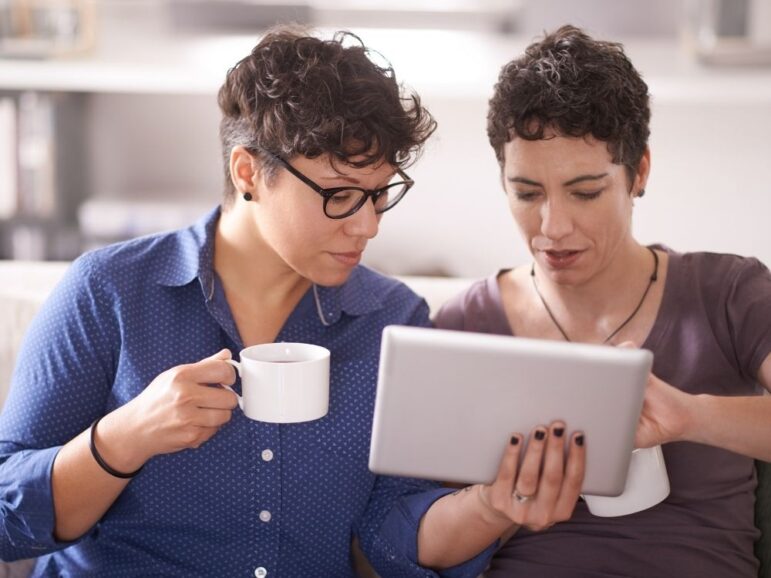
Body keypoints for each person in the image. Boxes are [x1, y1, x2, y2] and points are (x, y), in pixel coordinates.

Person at [0, 26, 586, 577]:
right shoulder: (111, 291)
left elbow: (388, 535)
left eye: (379, 195)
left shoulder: (392, 321)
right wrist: (124, 438)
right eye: (338, 196)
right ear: (249, 171)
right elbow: (6, 518)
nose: (367, 226)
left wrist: (492, 504)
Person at [435, 24, 771, 577]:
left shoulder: (727, 293)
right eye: (526, 193)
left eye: (585, 192)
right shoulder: (465, 324)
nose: (553, 227)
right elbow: (413, 541)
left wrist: (691, 416)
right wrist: (500, 502)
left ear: (638, 172)